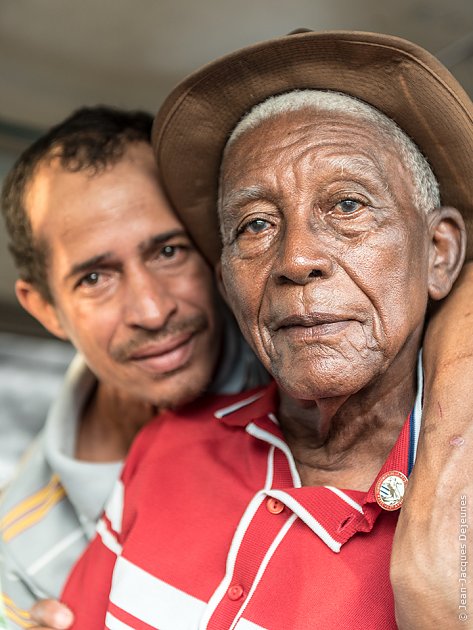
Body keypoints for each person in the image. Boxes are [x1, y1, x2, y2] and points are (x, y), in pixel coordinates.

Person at [56, 30, 472, 629]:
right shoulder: (171, 446)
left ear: (438, 252)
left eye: (347, 206)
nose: (296, 259)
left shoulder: (459, 519)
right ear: (226, 280)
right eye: (254, 225)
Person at [0, 106, 266, 629]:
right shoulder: (18, 560)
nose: (152, 310)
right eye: (95, 278)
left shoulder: (308, 360)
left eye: (169, 251)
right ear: (45, 309)